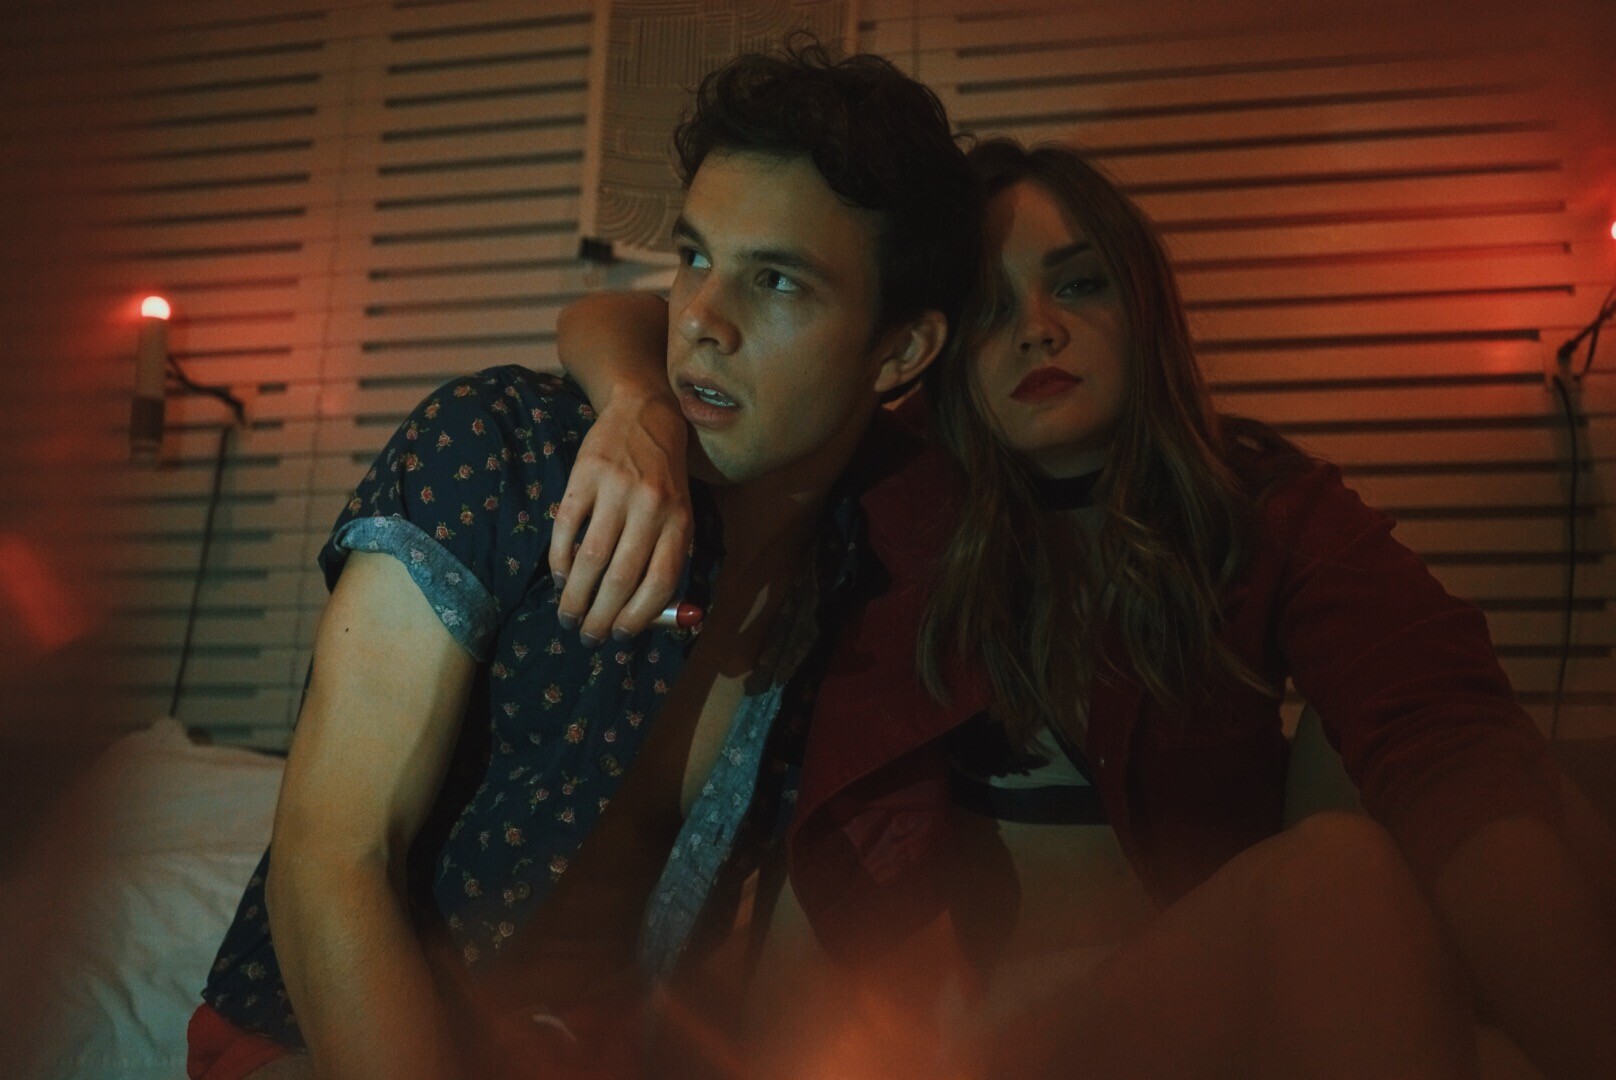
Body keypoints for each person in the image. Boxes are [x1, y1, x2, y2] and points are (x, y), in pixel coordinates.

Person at [549, 141, 1616, 1079]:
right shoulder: (886, 484)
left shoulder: (1257, 505)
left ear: (1142, 307)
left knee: (1456, 806)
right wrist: (637, 408)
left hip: (1199, 983)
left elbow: (1448, 735)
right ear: (932, 347)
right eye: (991, 309)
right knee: (1336, 878)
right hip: (961, 1027)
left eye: (1079, 285)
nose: (1039, 332)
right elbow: (622, 316)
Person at [185, 38, 979, 1080]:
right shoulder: (500, 451)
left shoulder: (867, 573)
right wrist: (636, 400)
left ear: (902, 350)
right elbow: (331, 859)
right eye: (694, 257)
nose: (701, 321)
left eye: (777, 280)